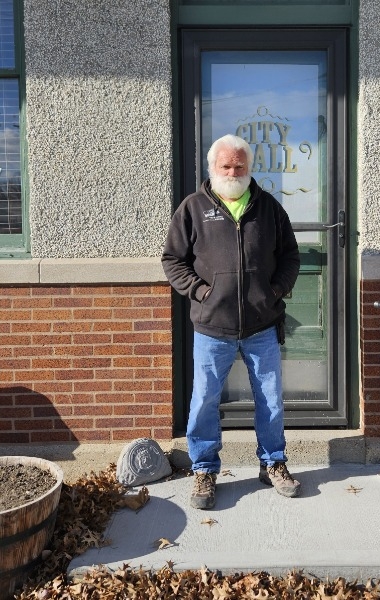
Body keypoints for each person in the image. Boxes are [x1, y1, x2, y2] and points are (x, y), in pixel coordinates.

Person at [162, 134, 301, 509]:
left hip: (262, 325)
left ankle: (273, 463)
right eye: (226, 166)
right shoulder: (193, 209)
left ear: (249, 168)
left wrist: (275, 291)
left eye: (240, 166)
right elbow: (172, 260)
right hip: (212, 328)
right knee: (204, 400)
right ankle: (204, 469)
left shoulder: (269, 208)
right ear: (212, 168)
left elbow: (290, 256)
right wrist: (201, 292)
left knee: (270, 400)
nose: (233, 172)